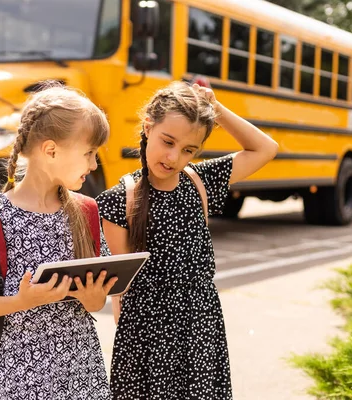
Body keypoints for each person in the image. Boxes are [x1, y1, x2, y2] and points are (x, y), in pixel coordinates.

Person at [96, 81, 279, 399]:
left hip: (201, 329)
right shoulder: (118, 200)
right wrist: (132, 354)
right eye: (167, 141)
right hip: (147, 337)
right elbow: (119, 290)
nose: (173, 156)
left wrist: (215, 109)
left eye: (188, 150)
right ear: (147, 126)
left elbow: (265, 148)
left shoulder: (201, 180)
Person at [0, 83, 117, 399]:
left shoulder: (86, 212)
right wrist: (20, 302)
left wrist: (93, 298)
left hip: (81, 376)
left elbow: (96, 304)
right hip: (18, 380)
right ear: (51, 150)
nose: (94, 165)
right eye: (89, 153)